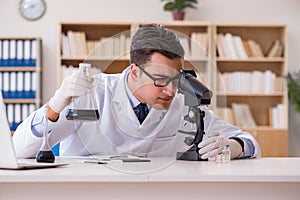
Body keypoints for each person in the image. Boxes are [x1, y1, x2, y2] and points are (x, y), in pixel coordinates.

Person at [13, 24, 261, 160]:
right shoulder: (92, 92)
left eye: (177, 79)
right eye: (161, 80)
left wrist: (234, 146)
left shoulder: (186, 103)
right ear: (134, 72)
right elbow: (20, 151)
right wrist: (55, 107)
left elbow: (250, 142)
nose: (171, 90)